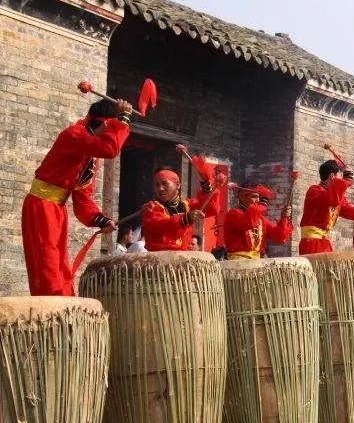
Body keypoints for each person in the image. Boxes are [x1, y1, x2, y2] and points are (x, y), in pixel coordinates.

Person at [22, 98, 132, 295]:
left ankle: (63, 306)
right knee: (47, 263)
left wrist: (100, 220)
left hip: (57, 209)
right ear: (107, 124)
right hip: (41, 205)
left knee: (60, 264)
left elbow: (82, 196)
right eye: (112, 126)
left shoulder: (90, 154)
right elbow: (111, 149)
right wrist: (123, 118)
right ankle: (51, 312)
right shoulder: (74, 135)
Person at [141, 166, 219, 251]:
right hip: (161, 259)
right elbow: (159, 225)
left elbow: (211, 208)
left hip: (184, 257)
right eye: (157, 185)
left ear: (178, 185)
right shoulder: (151, 208)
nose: (160, 188)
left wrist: (206, 187)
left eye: (164, 183)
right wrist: (184, 219)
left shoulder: (188, 205)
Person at [298, 160, 354, 255]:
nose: (342, 179)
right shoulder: (314, 190)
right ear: (332, 176)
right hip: (311, 241)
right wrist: (346, 182)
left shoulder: (335, 195)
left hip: (324, 241)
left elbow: (351, 212)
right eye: (340, 176)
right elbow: (332, 201)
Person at [223, 182, 293, 259]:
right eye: (254, 197)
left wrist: (284, 218)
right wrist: (263, 205)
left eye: (259, 197)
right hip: (237, 259)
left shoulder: (261, 219)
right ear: (242, 198)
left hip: (257, 260)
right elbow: (249, 223)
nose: (258, 200)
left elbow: (279, 236)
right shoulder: (233, 214)